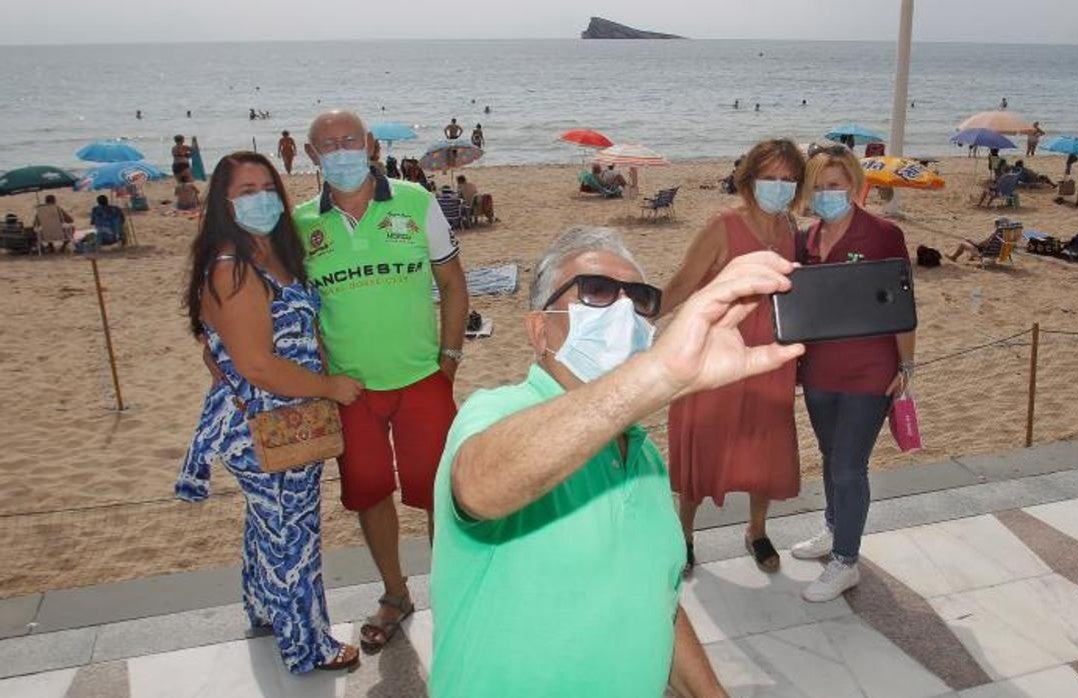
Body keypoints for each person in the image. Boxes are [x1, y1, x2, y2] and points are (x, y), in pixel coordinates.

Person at [431, 226, 801, 696]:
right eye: (598, 291)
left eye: (642, 298)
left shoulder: (642, 455)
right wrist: (657, 374)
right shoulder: (499, 409)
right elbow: (481, 484)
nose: (624, 309)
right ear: (539, 329)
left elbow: (656, 598)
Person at [177, 151, 362, 674]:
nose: (260, 199)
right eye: (245, 191)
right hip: (266, 424)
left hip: (283, 418)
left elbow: (232, 342)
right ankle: (308, 645)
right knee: (292, 533)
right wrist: (331, 386)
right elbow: (258, 365)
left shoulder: (270, 254)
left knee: (270, 526)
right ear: (223, 203)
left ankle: (264, 608)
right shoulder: (232, 266)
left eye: (267, 188)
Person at [296, 110, 468, 652]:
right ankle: (396, 593)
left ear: (369, 144)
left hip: (423, 379)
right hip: (351, 391)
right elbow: (299, 310)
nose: (341, 150)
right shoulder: (300, 223)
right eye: (328, 144)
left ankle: (452, 591)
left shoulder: (416, 200)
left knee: (440, 494)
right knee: (370, 493)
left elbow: (454, 284)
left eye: (350, 139)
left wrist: (449, 359)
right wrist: (325, 374)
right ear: (311, 155)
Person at [661, 139, 805, 574]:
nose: (778, 187)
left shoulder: (791, 230)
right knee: (704, 444)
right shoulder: (721, 227)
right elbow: (682, 285)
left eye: (787, 179)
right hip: (716, 354)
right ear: (748, 181)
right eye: (769, 178)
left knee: (765, 443)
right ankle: (684, 534)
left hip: (769, 355)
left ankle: (756, 531)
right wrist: (636, 316)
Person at [789, 145, 915, 601]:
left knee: (848, 466)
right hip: (820, 370)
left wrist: (907, 365)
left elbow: (902, 304)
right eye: (819, 187)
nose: (826, 195)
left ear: (855, 188)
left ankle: (846, 561)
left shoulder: (883, 234)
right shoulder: (806, 239)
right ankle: (833, 528)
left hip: (870, 370)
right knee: (828, 456)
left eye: (835, 186)